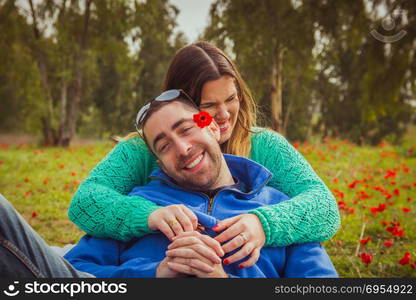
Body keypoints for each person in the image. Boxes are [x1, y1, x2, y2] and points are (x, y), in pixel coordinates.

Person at [68, 41, 340, 268]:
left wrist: (263, 224)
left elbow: (323, 207)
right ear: (181, 104)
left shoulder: (264, 145)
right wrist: (149, 216)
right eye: (209, 105)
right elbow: (85, 203)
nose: (223, 115)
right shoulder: (141, 150)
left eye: (231, 99)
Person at [0, 95, 337, 278]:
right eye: (163, 145)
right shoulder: (139, 201)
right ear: (158, 161)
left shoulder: (277, 208)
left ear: (214, 128)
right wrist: (157, 274)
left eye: (186, 129)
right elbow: (78, 272)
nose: (182, 148)